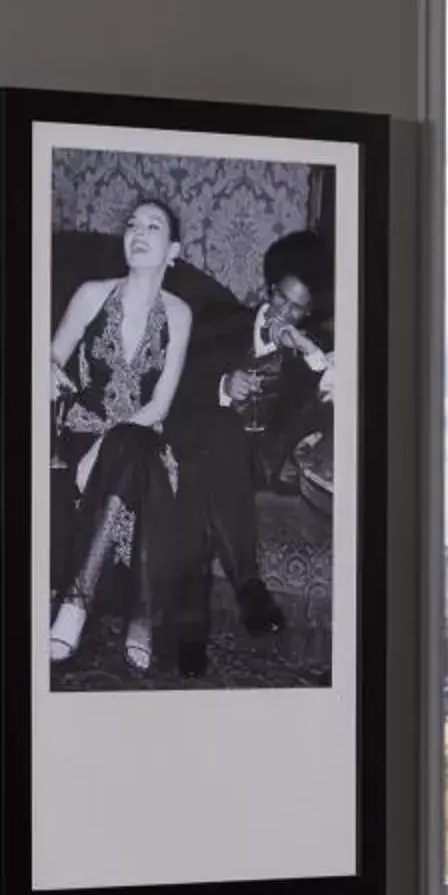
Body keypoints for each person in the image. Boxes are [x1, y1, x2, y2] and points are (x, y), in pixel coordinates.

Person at [169, 228, 329, 676]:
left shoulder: (309, 358)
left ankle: (190, 630)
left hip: (259, 466)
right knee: (206, 461)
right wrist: (223, 386)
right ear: (267, 290)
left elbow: (326, 407)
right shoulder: (218, 321)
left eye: (298, 309)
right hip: (204, 443)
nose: (286, 313)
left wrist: (311, 356)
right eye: (282, 299)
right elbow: (178, 388)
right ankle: (246, 584)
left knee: (203, 476)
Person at [47, 196, 194, 676]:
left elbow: (162, 405)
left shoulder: (179, 313)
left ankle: (75, 604)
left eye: (154, 227)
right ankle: (141, 621)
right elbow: (49, 357)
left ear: (173, 249)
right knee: (138, 456)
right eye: (132, 224)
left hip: (140, 435)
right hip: (82, 432)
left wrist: (108, 446)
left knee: (135, 446)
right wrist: (49, 373)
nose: (139, 233)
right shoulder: (93, 293)